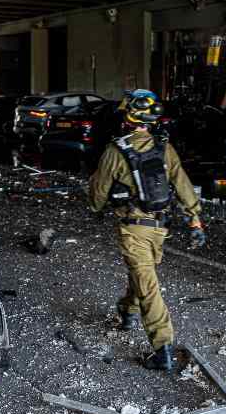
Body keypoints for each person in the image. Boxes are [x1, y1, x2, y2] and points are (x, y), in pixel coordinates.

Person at [86, 89, 207, 371]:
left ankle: (162, 348)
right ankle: (128, 311)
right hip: (158, 229)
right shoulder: (164, 147)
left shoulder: (116, 151)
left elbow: (97, 196)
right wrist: (195, 219)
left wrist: (96, 205)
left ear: (127, 117)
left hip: (133, 229)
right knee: (143, 274)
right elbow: (182, 184)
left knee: (147, 284)